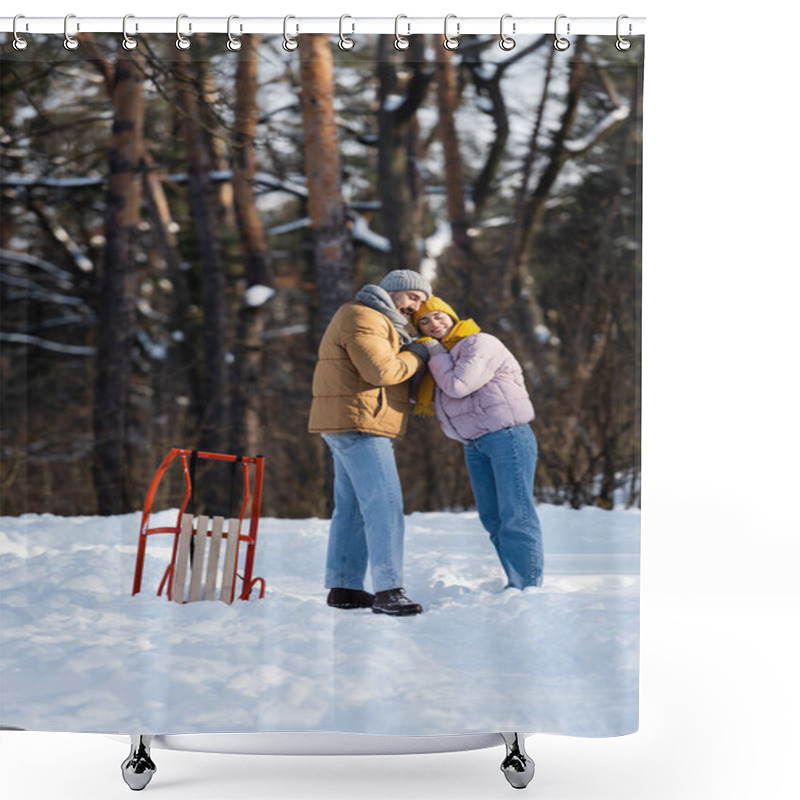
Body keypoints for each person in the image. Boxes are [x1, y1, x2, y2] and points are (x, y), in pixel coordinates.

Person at [308, 270, 433, 616]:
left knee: (352, 509)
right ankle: (389, 589)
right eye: (412, 297)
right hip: (359, 422)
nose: (416, 306)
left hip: (352, 420)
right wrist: (419, 353)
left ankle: (345, 587)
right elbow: (382, 372)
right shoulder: (363, 316)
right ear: (391, 291)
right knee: (384, 506)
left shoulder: (376, 320)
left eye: (422, 301)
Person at [412, 297, 544, 589]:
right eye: (424, 321)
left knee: (515, 513)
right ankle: (517, 582)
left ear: (452, 316)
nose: (434, 324)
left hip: (505, 435)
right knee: (492, 518)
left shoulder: (478, 342)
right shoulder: (439, 358)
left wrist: (433, 351)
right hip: (473, 443)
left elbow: (458, 386)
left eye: (438, 316)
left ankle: (528, 588)